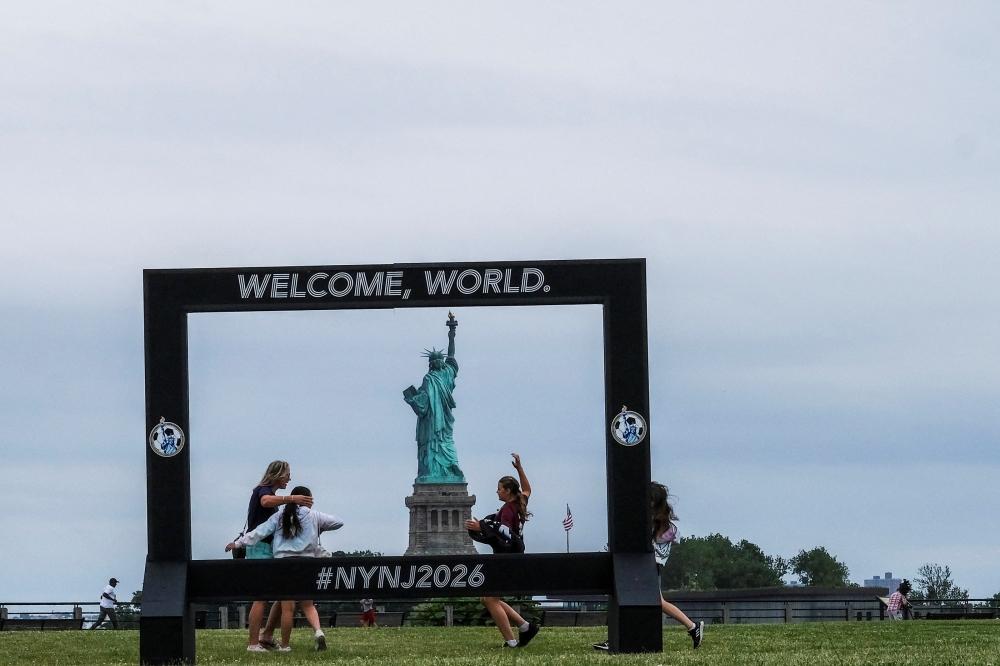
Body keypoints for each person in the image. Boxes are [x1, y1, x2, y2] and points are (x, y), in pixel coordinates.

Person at [228, 486, 343, 652]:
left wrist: (239, 543)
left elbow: (260, 531)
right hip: (307, 563)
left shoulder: (280, 515)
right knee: (308, 604)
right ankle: (318, 631)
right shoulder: (314, 516)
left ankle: (285, 645)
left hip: (283, 563)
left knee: (287, 608)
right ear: (307, 500)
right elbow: (338, 522)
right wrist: (320, 527)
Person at [594, 482, 704, 651]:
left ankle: (693, 627)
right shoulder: (666, 525)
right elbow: (676, 541)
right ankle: (618, 638)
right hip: (650, 565)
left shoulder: (652, 523)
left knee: (654, 602)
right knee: (640, 601)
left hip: (647, 565)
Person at [465, 453, 539, 649]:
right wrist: (520, 468)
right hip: (515, 558)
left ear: (507, 491)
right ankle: (525, 627)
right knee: (487, 598)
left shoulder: (507, 510)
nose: (496, 492)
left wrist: (481, 528)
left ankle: (511, 641)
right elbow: (528, 489)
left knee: (490, 599)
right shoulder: (520, 502)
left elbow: (503, 535)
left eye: (499, 489)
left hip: (506, 559)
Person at [240, 461, 314, 652]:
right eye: (287, 475)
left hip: (268, 548)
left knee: (282, 594)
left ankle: (267, 636)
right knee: (261, 597)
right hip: (260, 548)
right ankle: (253, 644)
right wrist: (292, 498)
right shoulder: (263, 491)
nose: (289, 479)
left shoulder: (270, 494)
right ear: (278, 475)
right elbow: (265, 502)